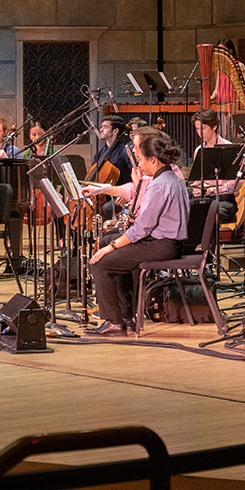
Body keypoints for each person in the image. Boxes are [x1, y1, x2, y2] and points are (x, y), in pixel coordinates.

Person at [87, 128, 189, 336]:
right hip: (167, 243)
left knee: (100, 263)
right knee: (115, 256)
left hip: (160, 245)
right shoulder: (174, 179)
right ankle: (127, 317)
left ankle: (114, 322)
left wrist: (111, 247)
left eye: (141, 159)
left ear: (153, 160)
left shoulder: (158, 185)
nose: (139, 164)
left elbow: (142, 228)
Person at [189, 108, 237, 258]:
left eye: (203, 128)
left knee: (210, 215)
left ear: (214, 127)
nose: (200, 133)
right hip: (205, 199)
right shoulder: (199, 150)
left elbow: (235, 183)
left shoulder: (228, 148)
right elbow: (197, 180)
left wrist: (214, 189)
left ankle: (208, 254)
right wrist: (197, 188)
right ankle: (193, 252)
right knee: (188, 211)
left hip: (224, 200)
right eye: (197, 129)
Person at [91, 114, 132, 183]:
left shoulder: (125, 151)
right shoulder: (100, 153)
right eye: (102, 127)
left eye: (105, 127)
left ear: (115, 131)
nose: (101, 130)